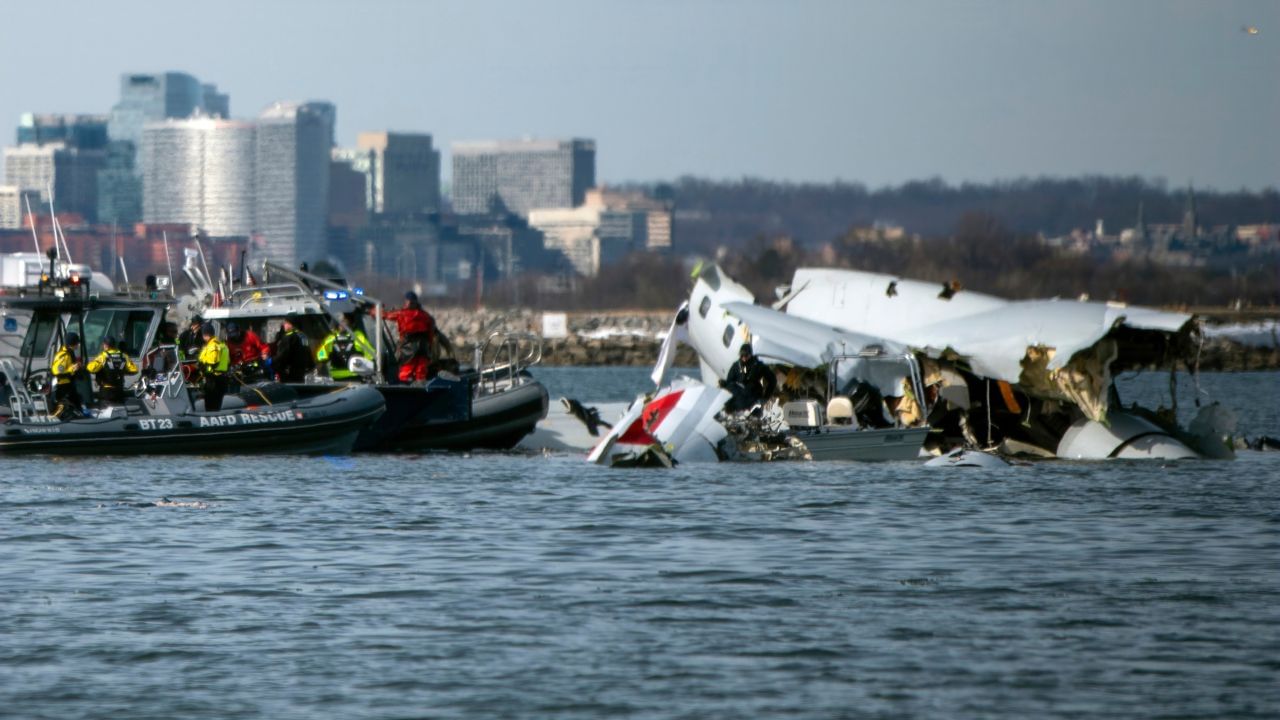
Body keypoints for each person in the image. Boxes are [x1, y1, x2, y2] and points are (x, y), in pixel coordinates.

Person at [385, 291, 434, 383]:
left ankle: (404, 388)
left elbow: (386, 315)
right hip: (423, 347)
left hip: (408, 347)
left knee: (406, 371)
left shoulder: (402, 314)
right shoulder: (425, 315)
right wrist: (430, 347)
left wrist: (373, 311)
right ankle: (421, 389)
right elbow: (430, 334)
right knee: (421, 372)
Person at [720, 343, 777, 412]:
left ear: (750, 354)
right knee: (728, 405)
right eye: (742, 355)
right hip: (739, 394)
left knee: (751, 409)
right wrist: (725, 384)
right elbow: (730, 381)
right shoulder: (736, 365)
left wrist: (765, 398)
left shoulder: (758, 366)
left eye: (746, 355)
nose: (744, 357)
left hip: (752, 396)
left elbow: (773, 380)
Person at [86, 335, 138, 405]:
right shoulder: (124, 356)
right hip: (119, 391)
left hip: (106, 392)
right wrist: (121, 371)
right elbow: (134, 370)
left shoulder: (103, 356)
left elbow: (90, 368)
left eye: (104, 344)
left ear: (106, 345)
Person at [51, 331, 87, 419]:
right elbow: (57, 372)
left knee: (78, 404)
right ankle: (53, 419)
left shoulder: (70, 353)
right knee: (65, 407)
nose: (78, 345)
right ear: (73, 343)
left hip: (69, 386)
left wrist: (77, 368)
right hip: (63, 388)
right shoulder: (64, 356)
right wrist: (72, 369)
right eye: (77, 343)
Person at [197, 323, 230, 411]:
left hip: (213, 380)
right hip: (221, 378)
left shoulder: (212, 346)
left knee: (210, 404)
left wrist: (202, 365)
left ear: (205, 334)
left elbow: (212, 361)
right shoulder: (221, 344)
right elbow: (228, 362)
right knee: (217, 403)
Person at [271, 315, 312, 383]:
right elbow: (308, 353)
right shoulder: (303, 336)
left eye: (285, 323)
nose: (284, 325)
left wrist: (271, 361)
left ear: (290, 323)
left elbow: (282, 356)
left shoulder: (289, 337)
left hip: (289, 373)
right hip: (301, 373)